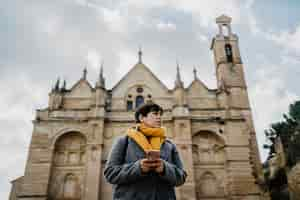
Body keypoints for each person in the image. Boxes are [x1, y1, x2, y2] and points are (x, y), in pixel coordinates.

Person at [104, 103, 187, 200]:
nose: (159, 117)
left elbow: (181, 177)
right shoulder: (123, 141)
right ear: (142, 117)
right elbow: (110, 173)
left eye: (160, 115)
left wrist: (164, 168)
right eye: (155, 114)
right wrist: (139, 167)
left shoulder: (169, 145)